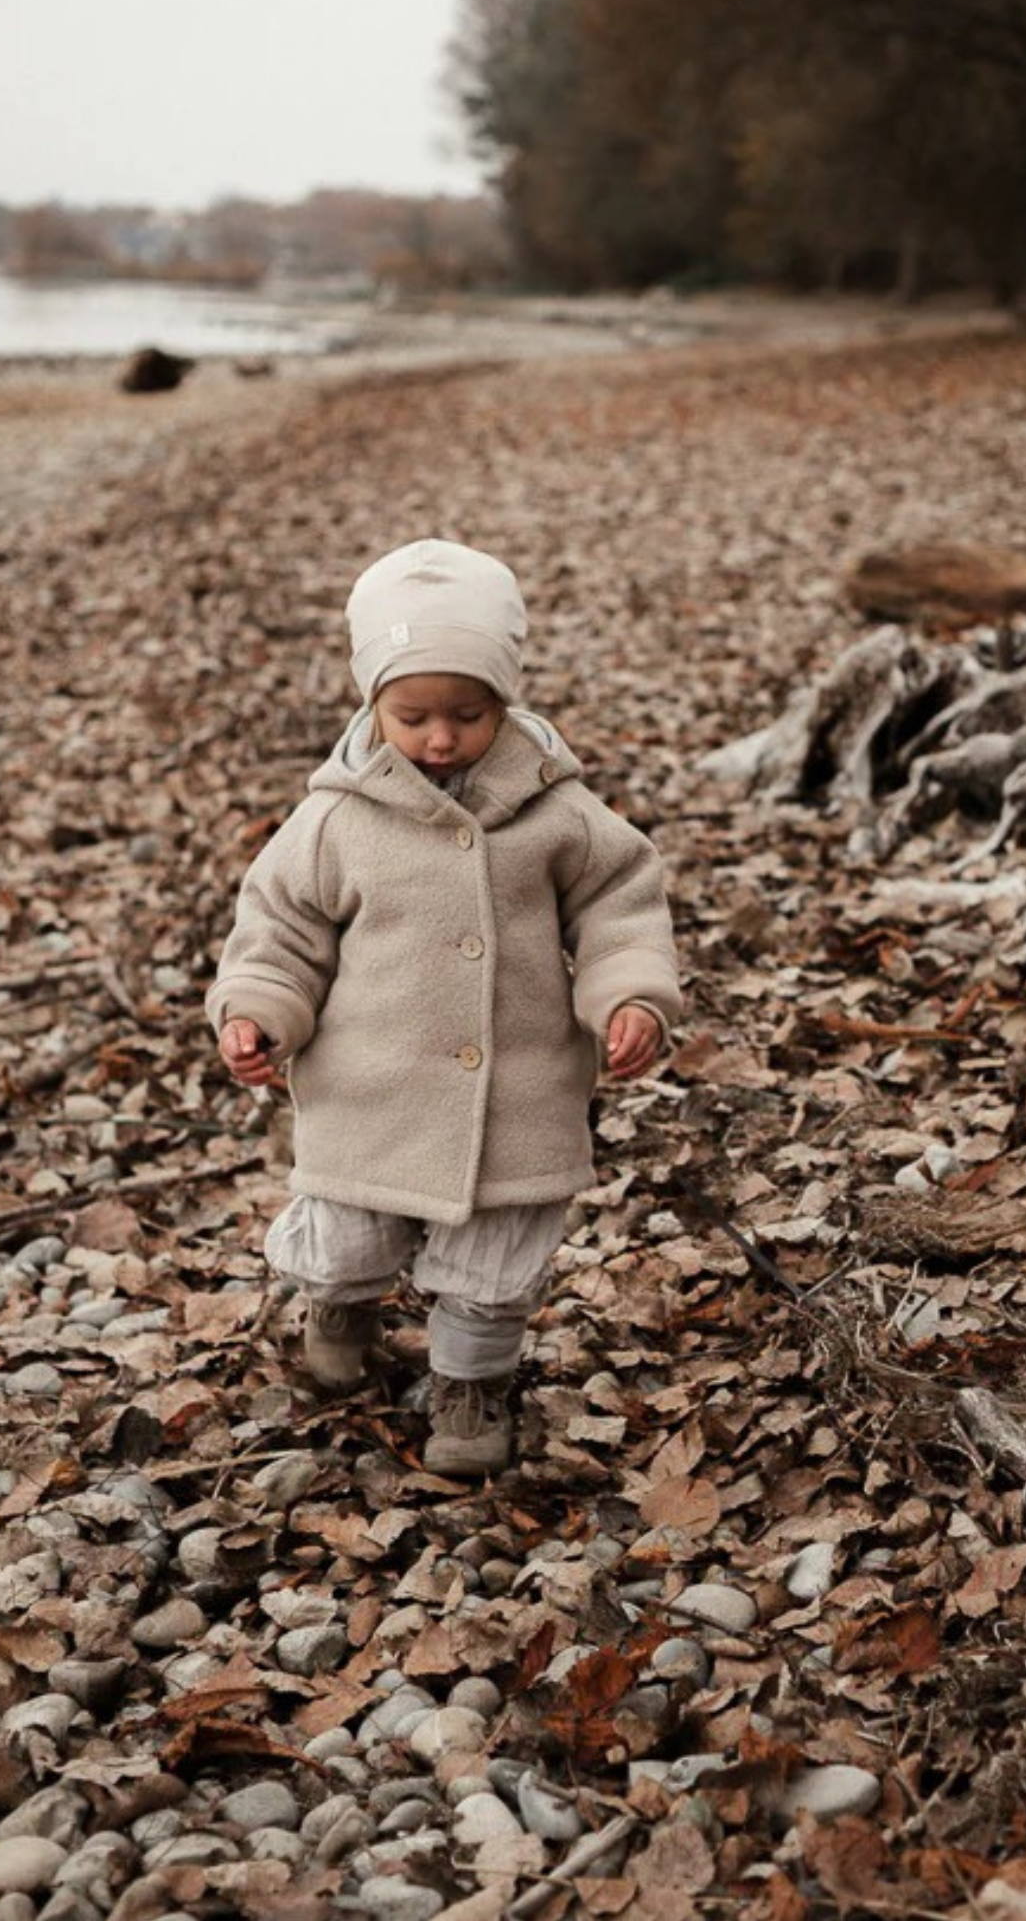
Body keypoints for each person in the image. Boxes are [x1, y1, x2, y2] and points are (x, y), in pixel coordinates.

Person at [208, 539, 680, 1477]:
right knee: (347, 1234)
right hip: (369, 1078)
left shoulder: (556, 809)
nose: (438, 738)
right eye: (410, 715)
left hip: (518, 1080)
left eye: (467, 714)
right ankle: (338, 1307)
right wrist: (259, 1011)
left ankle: (469, 1385)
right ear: (369, 703)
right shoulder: (338, 819)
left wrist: (630, 994)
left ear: (505, 700)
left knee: (495, 1258)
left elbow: (620, 906)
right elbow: (281, 930)